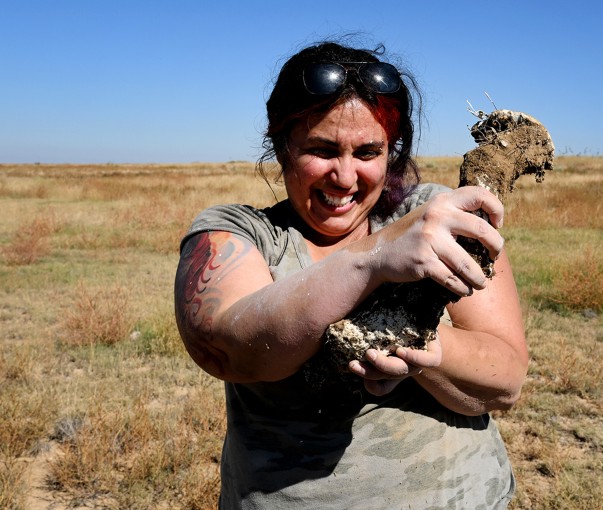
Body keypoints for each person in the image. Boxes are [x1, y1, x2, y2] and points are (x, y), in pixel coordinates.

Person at [174, 40, 528, 509]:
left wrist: (426, 350)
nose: (344, 177)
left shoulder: (432, 216)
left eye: (368, 151)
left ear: (391, 153)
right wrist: (375, 257)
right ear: (282, 147)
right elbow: (230, 347)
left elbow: (504, 383)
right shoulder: (241, 233)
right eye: (321, 149)